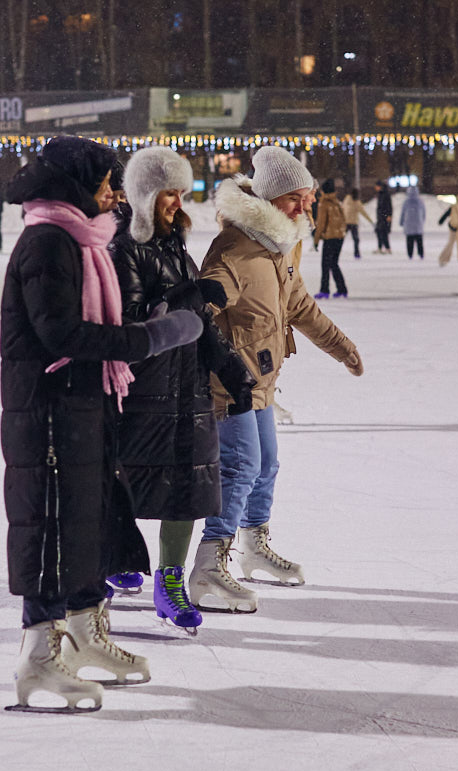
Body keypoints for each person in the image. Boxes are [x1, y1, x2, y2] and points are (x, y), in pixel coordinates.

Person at [0, 136, 204, 712]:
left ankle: (87, 633)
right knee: (50, 526)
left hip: (84, 405)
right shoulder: (47, 242)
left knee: (90, 520)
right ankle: (39, 656)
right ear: (75, 187)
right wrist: (151, 337)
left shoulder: (83, 241)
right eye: (106, 185)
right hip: (47, 411)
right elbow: (61, 335)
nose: (116, 197)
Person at [192, 145, 363, 613]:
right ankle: (209, 564)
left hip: (261, 381)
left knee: (266, 466)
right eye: (296, 198)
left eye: (308, 197)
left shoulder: (279, 249)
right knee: (241, 467)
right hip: (229, 386)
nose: (305, 206)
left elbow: (301, 307)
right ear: (269, 200)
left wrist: (342, 348)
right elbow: (202, 308)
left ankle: (252, 547)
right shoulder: (235, 249)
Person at [108, 146, 255, 632]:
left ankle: (170, 580)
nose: (178, 202)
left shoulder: (174, 244)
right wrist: (183, 295)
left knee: (189, 488)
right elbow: (131, 326)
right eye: (169, 192)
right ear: (146, 194)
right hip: (142, 392)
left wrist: (228, 366)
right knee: (124, 486)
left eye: (181, 192)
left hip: (187, 391)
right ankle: (114, 559)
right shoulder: (123, 246)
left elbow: (199, 321)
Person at [313, 178, 349, 297]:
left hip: (329, 238)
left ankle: (324, 290)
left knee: (325, 264)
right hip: (339, 237)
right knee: (334, 263)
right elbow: (344, 219)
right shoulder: (337, 202)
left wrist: (316, 240)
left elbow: (321, 223)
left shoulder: (324, 203)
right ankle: (342, 289)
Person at [341, 186, 372, 259]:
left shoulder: (347, 199)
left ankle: (336, 251)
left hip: (347, 222)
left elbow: (342, 209)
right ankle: (357, 253)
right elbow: (363, 213)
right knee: (355, 239)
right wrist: (370, 221)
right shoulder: (356, 202)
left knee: (341, 238)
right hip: (352, 223)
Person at [399, 184, 426, 259]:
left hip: (409, 225)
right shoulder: (420, 201)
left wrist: (401, 222)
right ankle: (421, 254)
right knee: (419, 241)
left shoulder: (406, 202)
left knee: (409, 241)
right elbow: (424, 213)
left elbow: (403, 213)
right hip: (418, 226)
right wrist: (422, 221)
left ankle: (410, 254)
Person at [372, 179, 392, 254]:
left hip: (384, 216)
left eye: (376, 186)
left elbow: (389, 206)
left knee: (383, 232)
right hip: (380, 216)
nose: (375, 188)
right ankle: (380, 247)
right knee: (379, 231)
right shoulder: (380, 194)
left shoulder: (385, 194)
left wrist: (389, 215)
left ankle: (387, 248)